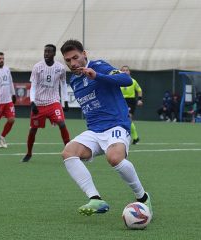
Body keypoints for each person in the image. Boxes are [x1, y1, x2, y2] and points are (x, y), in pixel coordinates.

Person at [60, 39, 152, 216]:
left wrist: (97, 76)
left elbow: (126, 80)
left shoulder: (99, 66)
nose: (72, 63)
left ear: (84, 54)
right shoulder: (74, 81)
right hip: (95, 131)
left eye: (75, 57)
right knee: (68, 152)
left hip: (116, 125)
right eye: (68, 60)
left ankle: (142, 197)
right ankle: (95, 199)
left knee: (114, 158)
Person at [21, 44, 70, 162]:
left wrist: (66, 100)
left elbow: (63, 84)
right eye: (45, 51)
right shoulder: (37, 67)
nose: (46, 53)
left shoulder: (60, 68)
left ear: (54, 54)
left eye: (49, 52)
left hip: (54, 102)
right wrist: (32, 102)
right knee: (33, 129)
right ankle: (28, 153)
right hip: (39, 103)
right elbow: (33, 85)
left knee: (62, 124)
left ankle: (70, 151)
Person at [120, 65, 143, 144]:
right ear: (120, 71)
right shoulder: (118, 81)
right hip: (120, 101)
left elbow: (139, 90)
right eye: (123, 70)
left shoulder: (133, 81)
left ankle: (135, 137)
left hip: (130, 101)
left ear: (129, 72)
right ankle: (130, 137)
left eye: (127, 70)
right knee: (121, 120)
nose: (125, 72)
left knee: (128, 119)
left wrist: (140, 99)